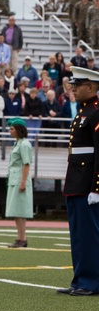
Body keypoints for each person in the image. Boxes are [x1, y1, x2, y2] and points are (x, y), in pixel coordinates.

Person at [57, 66, 99, 296]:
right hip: (76, 181)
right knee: (78, 235)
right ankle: (80, 279)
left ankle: (91, 281)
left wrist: (97, 187)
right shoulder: (84, 111)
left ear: (91, 87)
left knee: (89, 234)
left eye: (78, 85)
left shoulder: (95, 112)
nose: (73, 88)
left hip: (87, 184)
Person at [4, 117, 33, 248]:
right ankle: (20, 238)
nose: (10, 131)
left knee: (20, 210)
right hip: (14, 179)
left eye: (12, 129)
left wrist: (23, 182)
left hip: (20, 179)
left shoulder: (25, 144)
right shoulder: (18, 143)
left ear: (18, 130)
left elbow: (26, 164)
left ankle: (22, 238)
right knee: (16, 210)